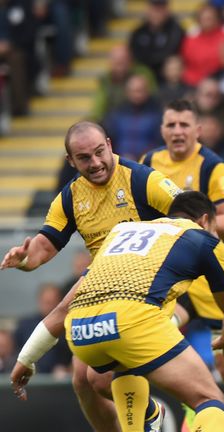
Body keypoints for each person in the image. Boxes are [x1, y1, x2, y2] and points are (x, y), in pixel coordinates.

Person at [11, 191, 224, 432]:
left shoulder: (121, 233)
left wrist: (26, 358)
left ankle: (150, 415)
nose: (216, 236)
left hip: (81, 332)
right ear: (204, 221)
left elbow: (63, 307)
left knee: (117, 370)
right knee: (210, 400)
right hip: (131, 321)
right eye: (216, 229)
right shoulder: (202, 239)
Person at [1, 121, 182, 432]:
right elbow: (44, 244)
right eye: (84, 158)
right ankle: (145, 415)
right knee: (82, 381)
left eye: (100, 152)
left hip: (152, 281)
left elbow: (192, 211)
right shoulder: (71, 196)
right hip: (106, 281)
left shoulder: (142, 180)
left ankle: (151, 412)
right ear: (71, 161)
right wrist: (24, 259)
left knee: (98, 377)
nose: (96, 163)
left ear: (110, 145)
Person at [140, 99, 224, 432]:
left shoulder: (213, 167)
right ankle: (176, 411)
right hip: (176, 278)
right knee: (148, 334)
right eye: (171, 125)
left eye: (184, 125)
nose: (177, 131)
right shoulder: (149, 162)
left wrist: (188, 223)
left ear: (198, 130)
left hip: (216, 277)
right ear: (162, 129)